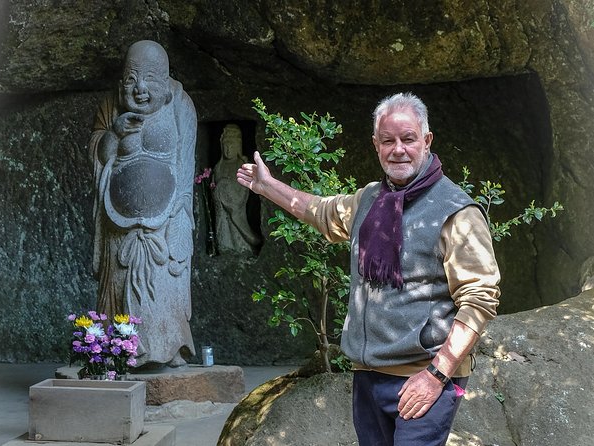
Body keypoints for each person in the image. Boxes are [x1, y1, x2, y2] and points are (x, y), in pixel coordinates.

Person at [237, 92, 500, 445]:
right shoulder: (370, 200)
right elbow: (321, 211)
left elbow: (479, 299)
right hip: (368, 374)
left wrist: (437, 374)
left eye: (408, 139)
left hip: (424, 374)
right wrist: (267, 187)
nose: (398, 150)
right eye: (388, 140)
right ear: (375, 144)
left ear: (426, 140)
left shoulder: (457, 211)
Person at [88, 40, 197, 368]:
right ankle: (117, 351)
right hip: (118, 220)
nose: (140, 88)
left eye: (150, 78)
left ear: (165, 82)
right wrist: (114, 135)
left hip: (163, 220)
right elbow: (96, 152)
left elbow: (186, 160)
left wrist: (179, 210)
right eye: (132, 78)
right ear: (122, 82)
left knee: (163, 283)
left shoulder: (180, 104)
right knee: (120, 283)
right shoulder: (112, 105)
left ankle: (167, 348)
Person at [212, 123, 261, 253]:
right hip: (221, 208)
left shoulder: (242, 164)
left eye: (232, 145)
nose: (228, 149)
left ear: (238, 146)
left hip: (236, 205)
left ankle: (243, 247)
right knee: (223, 230)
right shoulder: (219, 167)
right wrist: (219, 190)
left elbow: (244, 190)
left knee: (238, 235)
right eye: (226, 146)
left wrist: (226, 190)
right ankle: (224, 247)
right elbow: (215, 185)